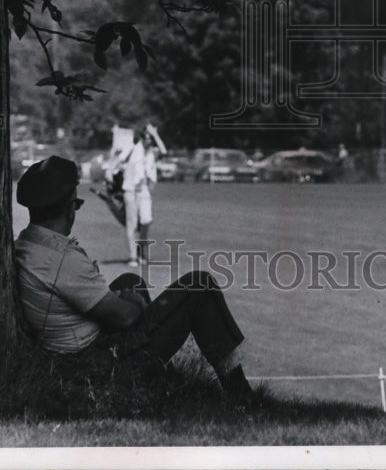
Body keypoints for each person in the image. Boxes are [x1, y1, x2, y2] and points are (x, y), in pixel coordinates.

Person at [14, 155, 255, 404]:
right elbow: (126, 316)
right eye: (76, 204)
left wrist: (125, 297)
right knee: (200, 285)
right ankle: (241, 396)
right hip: (96, 366)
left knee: (131, 280)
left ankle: (165, 381)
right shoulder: (61, 259)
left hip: (72, 352)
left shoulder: (27, 244)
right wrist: (132, 302)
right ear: (67, 206)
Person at [120, 125, 162, 266]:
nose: (149, 141)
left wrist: (155, 134)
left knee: (146, 221)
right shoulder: (132, 148)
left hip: (144, 190)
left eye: (151, 139)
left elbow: (164, 150)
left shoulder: (151, 152)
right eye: (148, 138)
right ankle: (133, 257)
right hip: (131, 189)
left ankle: (141, 252)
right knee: (131, 224)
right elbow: (119, 159)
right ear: (142, 138)